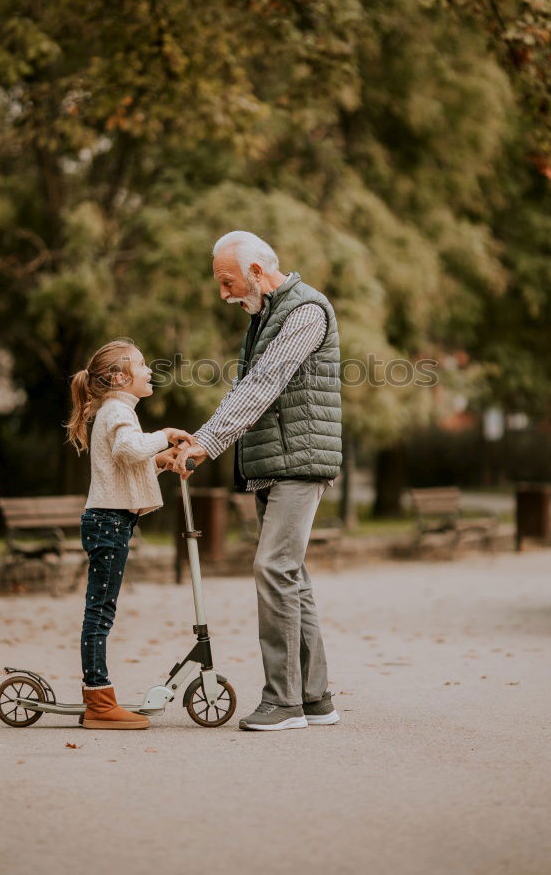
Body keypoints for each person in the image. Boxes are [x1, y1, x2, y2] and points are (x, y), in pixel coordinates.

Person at [173, 231, 343, 732]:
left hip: (299, 463)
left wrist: (206, 442)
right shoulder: (266, 314)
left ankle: (283, 701)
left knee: (273, 567)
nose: (223, 294)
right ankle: (315, 699)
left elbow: (265, 383)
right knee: (292, 576)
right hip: (275, 462)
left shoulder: (306, 311)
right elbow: (250, 386)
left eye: (226, 282)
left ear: (255, 271)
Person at [66, 338, 193, 730]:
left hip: (110, 520)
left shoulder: (115, 409)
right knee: (99, 613)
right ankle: (99, 701)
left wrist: (161, 460)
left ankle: (99, 696)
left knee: (101, 611)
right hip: (108, 522)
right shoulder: (118, 410)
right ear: (120, 377)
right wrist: (166, 434)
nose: (149, 370)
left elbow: (124, 462)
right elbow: (126, 447)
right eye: (141, 364)